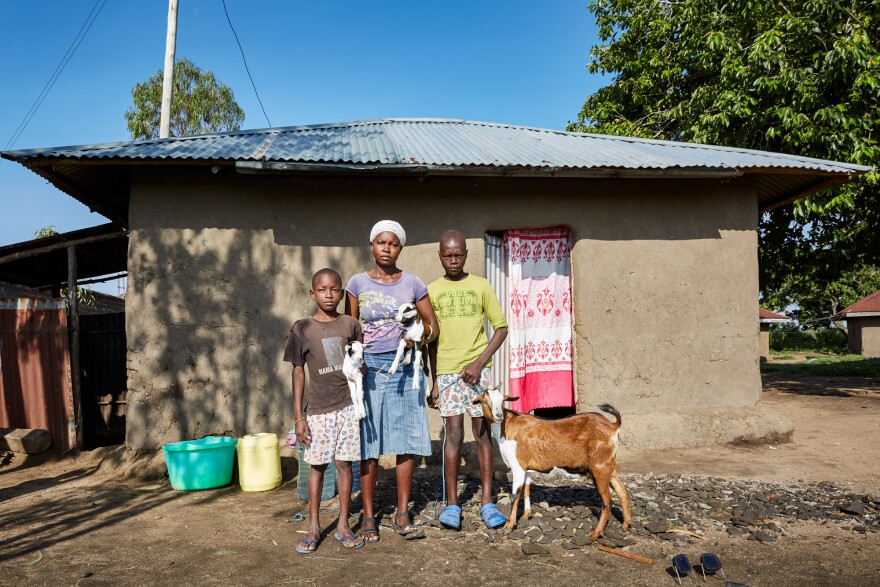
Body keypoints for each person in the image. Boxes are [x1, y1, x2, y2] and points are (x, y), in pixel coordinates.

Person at [345, 220, 439, 541]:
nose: (387, 248)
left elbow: (433, 327)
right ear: (371, 246)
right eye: (381, 242)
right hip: (369, 369)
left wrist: (418, 335)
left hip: (405, 369)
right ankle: (369, 515)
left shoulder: (413, 283)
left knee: (406, 441)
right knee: (368, 443)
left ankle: (402, 512)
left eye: (393, 243)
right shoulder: (356, 283)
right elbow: (350, 329)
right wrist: (353, 368)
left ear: (401, 248)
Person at [427, 229, 508, 530]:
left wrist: (479, 362)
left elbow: (500, 328)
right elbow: (430, 341)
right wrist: (434, 380)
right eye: (447, 255)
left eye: (458, 254)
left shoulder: (481, 285)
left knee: (483, 433)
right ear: (440, 256)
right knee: (453, 435)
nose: (453, 259)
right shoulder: (432, 290)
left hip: (478, 373)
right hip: (447, 373)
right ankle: (452, 505)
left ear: (465, 254)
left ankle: (487, 502)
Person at [285, 268, 365, 554]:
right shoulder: (301, 328)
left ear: (341, 293)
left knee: (344, 465)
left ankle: (343, 524)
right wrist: (299, 417)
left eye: (334, 289)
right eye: (322, 289)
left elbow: (359, 362)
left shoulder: (351, 325)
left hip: (347, 408)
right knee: (317, 467)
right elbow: (298, 373)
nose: (329, 294)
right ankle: (314, 526)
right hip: (318, 411)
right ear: (312, 293)